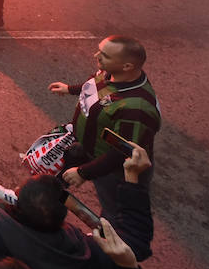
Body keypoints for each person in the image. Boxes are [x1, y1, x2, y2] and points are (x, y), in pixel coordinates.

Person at [0, 145, 154, 269]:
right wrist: (132, 178)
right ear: (63, 215)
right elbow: (135, 243)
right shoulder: (82, 253)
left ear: (16, 203)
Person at [49, 36, 160, 220]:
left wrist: (83, 173)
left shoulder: (136, 108)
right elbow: (93, 86)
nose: (96, 56)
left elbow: (123, 153)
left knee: (115, 212)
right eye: (99, 51)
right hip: (87, 146)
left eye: (105, 55)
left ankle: (107, 243)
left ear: (127, 66)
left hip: (112, 169)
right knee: (55, 176)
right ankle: (31, 200)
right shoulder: (109, 72)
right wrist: (70, 89)